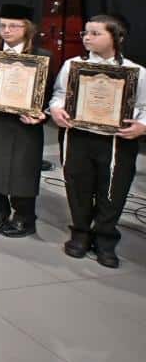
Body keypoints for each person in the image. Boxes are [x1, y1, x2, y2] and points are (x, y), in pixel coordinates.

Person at [49, 14, 146, 268]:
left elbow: (145, 106)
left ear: (117, 37)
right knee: (77, 185)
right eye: (85, 33)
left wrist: (142, 126)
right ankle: (80, 232)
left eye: (95, 33)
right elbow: (59, 95)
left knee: (113, 190)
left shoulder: (135, 71)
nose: (87, 38)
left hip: (116, 141)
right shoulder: (72, 65)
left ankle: (105, 238)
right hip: (78, 136)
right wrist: (56, 110)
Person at [0, 4, 52, 237]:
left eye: (13, 26)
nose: (6, 30)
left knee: (23, 170)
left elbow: (51, 95)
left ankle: (24, 218)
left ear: (27, 28)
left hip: (24, 123)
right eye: (2, 26)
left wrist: (43, 115)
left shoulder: (43, 57)